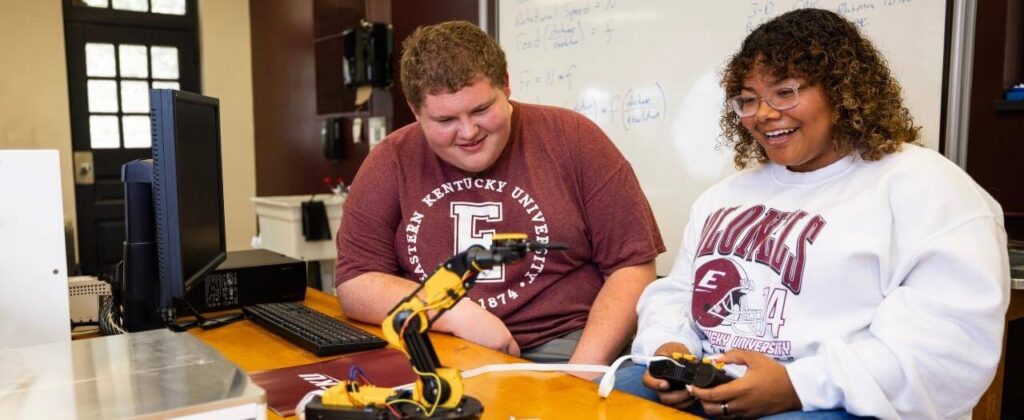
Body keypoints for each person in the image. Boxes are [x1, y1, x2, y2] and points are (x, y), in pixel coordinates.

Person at [616, 8, 1010, 419]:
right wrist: (670, 350)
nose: (764, 113)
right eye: (749, 100)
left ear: (843, 91)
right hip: (712, 386)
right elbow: (678, 291)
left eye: (785, 92)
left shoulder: (928, 187)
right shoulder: (723, 196)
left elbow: (944, 346)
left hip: (838, 399)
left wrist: (796, 386)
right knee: (596, 402)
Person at [333, 21, 664, 368]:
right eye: (445, 120)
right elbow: (356, 282)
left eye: (480, 110)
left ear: (505, 85)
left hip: (567, 346)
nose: (468, 132)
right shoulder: (391, 159)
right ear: (416, 112)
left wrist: (580, 374)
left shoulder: (574, 138)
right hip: (442, 345)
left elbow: (633, 264)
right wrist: (454, 312)